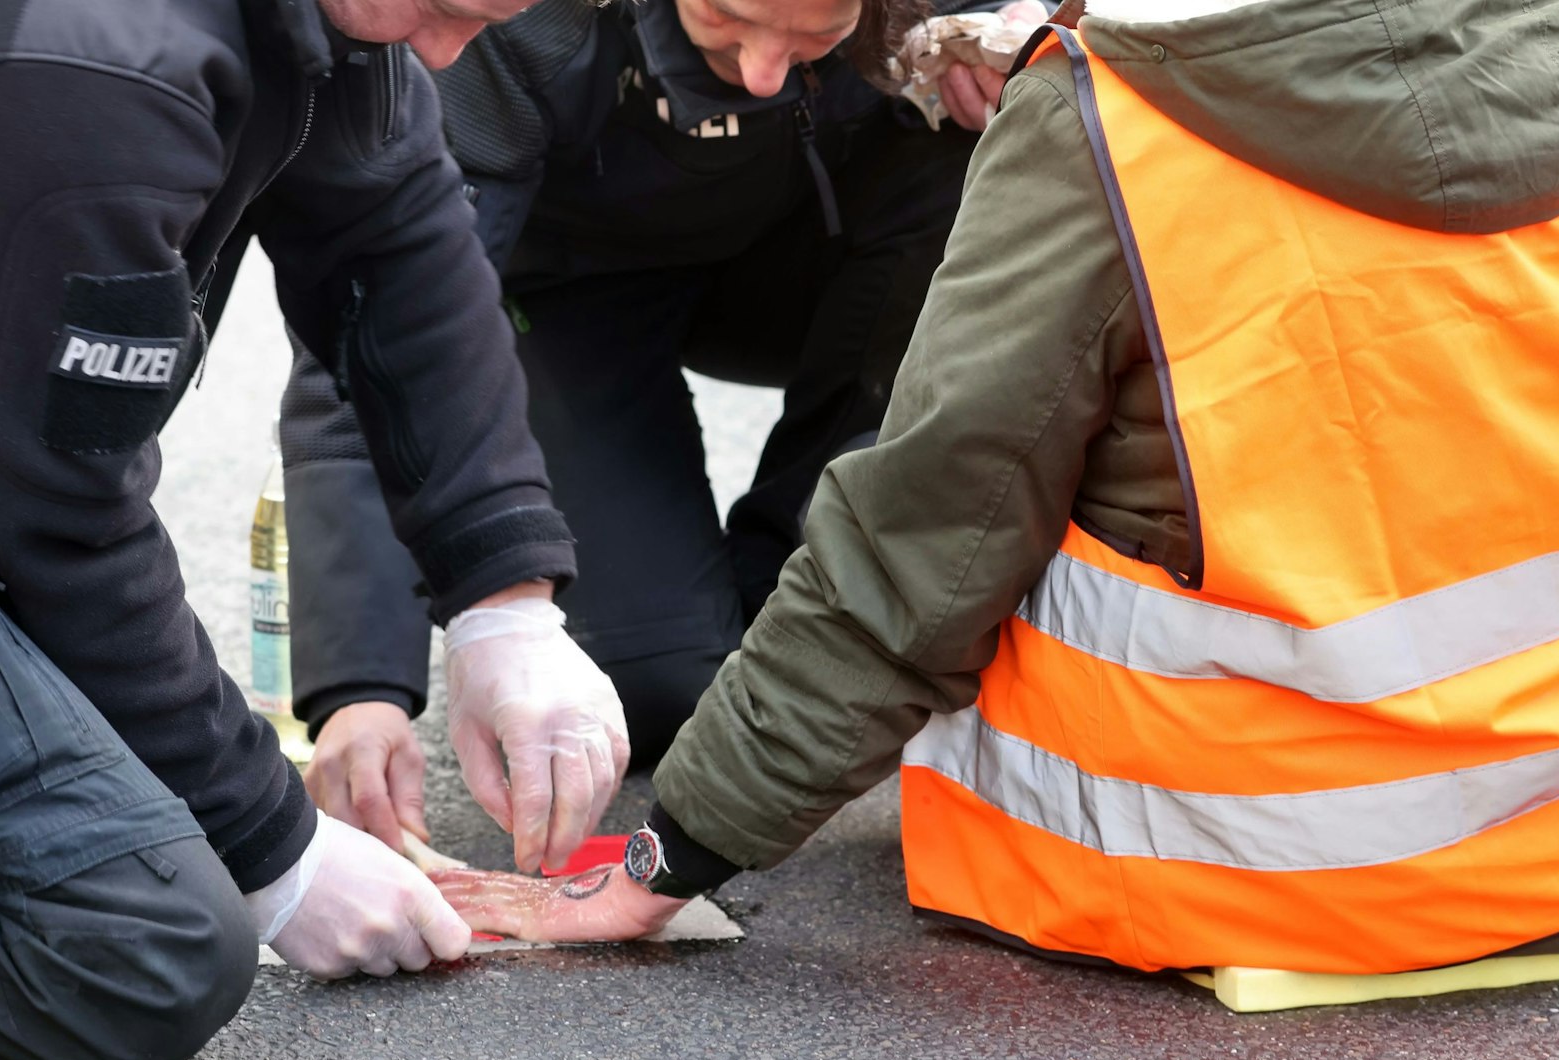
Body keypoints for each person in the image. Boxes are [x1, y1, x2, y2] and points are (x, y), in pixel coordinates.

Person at [436, 0, 1559, 979]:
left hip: (1251, 881)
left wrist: (674, 851)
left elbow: (923, 541)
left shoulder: (1112, 120)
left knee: (1008, 479)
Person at [0, 0, 629, 1060]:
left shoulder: (337, 16)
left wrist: (503, 598)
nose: (446, 50)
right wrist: (271, 843)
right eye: (445, 10)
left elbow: (395, 225)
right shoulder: (92, 56)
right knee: (142, 949)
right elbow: (53, 516)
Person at [285, 0, 1047, 850]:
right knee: (662, 696)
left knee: (1013, 126)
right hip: (570, 287)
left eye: (809, 36)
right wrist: (361, 689)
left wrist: (1036, 37)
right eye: (729, 15)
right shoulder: (519, 22)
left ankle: (800, 588)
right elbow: (386, 330)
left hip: (812, 258)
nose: (763, 68)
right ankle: (691, 614)